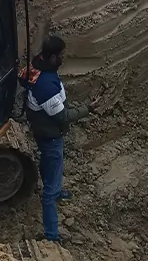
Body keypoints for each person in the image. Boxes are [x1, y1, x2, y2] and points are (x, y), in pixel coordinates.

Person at [21, 35, 96, 245]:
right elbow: (62, 116)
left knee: (50, 161)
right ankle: (52, 235)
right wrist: (88, 109)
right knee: (50, 181)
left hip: (43, 133)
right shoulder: (46, 87)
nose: (63, 58)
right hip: (50, 135)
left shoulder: (37, 66)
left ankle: (56, 189)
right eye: (61, 55)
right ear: (53, 57)